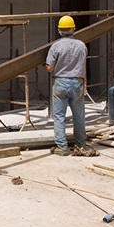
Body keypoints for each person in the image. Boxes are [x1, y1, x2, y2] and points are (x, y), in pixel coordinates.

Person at [43, 16, 90, 156]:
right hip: (77, 82)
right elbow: (83, 67)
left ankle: (62, 147)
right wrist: (85, 85)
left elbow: (50, 68)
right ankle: (81, 144)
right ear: (73, 29)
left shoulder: (56, 46)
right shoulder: (82, 45)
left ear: (59, 30)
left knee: (59, 116)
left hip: (61, 83)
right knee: (79, 116)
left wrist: (46, 65)